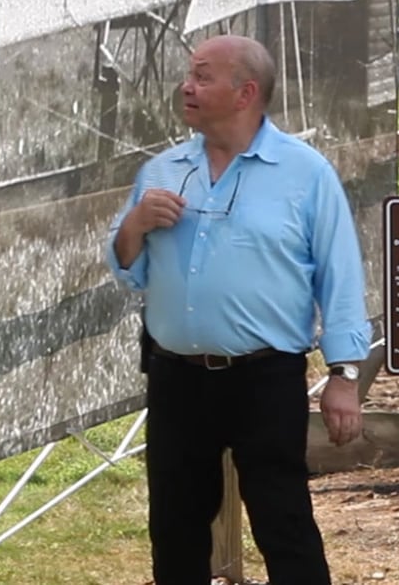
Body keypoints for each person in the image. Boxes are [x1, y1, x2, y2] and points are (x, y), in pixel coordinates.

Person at [105, 34, 369, 585]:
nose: (186, 86)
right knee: (174, 528)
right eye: (188, 74)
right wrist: (134, 226)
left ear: (245, 92)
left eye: (202, 76)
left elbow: (340, 277)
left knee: (283, 521)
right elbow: (128, 267)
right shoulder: (160, 171)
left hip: (265, 378)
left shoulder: (306, 173)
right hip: (176, 377)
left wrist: (344, 376)